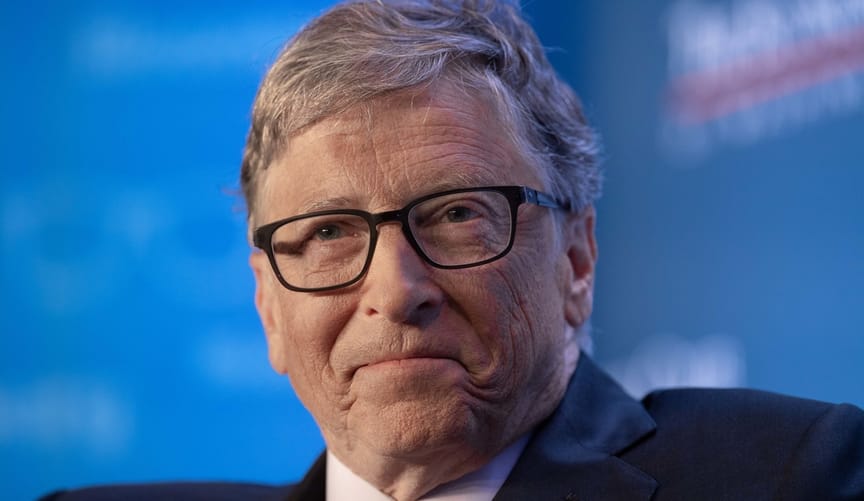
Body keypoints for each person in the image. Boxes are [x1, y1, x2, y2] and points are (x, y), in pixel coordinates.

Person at [43, 0, 864, 500]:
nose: (396, 290)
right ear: (268, 303)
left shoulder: (792, 475)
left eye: (457, 214)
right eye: (328, 232)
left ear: (575, 261)